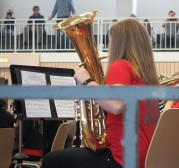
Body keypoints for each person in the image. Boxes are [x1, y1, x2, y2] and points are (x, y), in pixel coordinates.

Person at [42, 19, 160, 168]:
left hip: (121, 158)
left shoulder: (121, 66)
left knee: (51, 160)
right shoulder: (147, 76)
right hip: (144, 157)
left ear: (119, 43)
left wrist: (87, 81)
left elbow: (116, 105)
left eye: (111, 41)